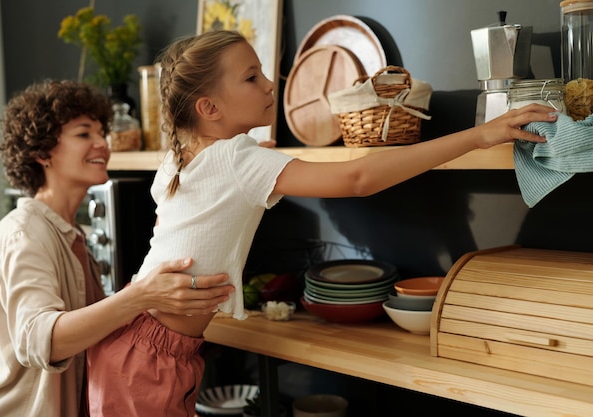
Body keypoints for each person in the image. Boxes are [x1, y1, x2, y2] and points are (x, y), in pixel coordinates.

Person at [86, 30, 557, 416]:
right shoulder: (236, 158)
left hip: (135, 346)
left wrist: (257, 163)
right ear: (209, 108)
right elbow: (358, 177)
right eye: (252, 77)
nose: (270, 84)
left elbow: (206, 205)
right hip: (148, 360)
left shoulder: (181, 158)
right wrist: (479, 134)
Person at [0, 80, 234, 417]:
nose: (102, 144)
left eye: (100, 132)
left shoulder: (70, 235)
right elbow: (40, 341)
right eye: (83, 134)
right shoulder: (25, 234)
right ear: (41, 152)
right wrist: (140, 294)